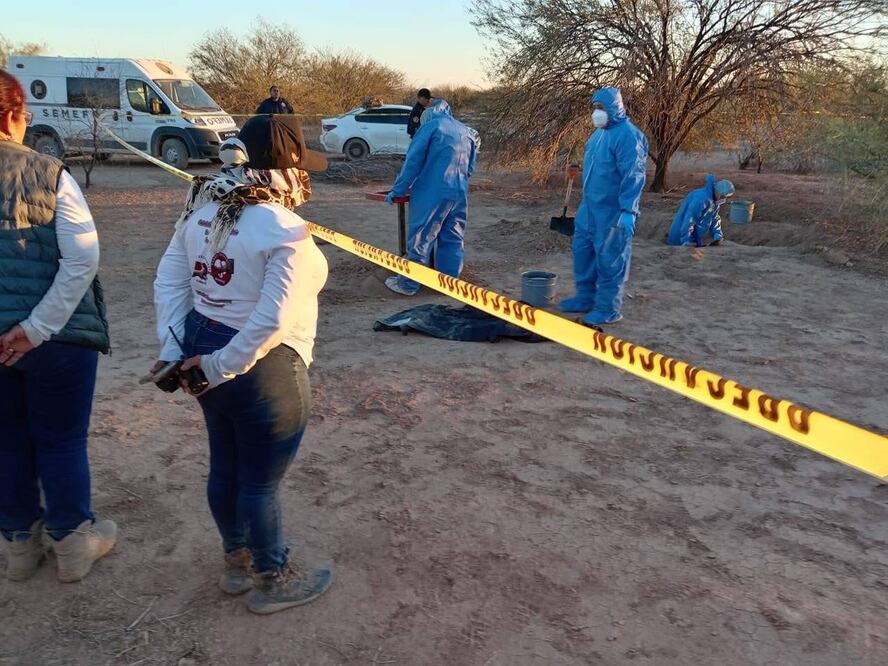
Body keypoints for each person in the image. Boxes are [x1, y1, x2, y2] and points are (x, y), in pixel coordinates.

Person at [153, 113, 331, 615]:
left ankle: (236, 563)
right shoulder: (283, 227)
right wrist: (219, 365)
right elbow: (271, 320)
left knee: (227, 462)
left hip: (206, 342)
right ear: (289, 169)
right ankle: (271, 576)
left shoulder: (204, 211)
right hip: (261, 367)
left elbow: (169, 282)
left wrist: (176, 349)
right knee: (259, 481)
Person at [0, 70, 116, 583]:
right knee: (62, 439)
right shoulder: (49, 173)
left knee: (6, 440)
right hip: (56, 338)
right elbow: (82, 259)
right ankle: (71, 543)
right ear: (13, 115)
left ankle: (19, 547)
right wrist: (38, 327)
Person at [559, 87, 648, 326]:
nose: (597, 113)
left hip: (612, 212)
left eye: (601, 108)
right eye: (595, 108)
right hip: (590, 209)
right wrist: (577, 168)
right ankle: (585, 297)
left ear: (615, 108)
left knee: (611, 259)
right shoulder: (598, 134)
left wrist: (629, 210)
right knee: (583, 252)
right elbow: (597, 163)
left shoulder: (628, 136)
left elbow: (634, 175)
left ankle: (608, 308)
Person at [384, 99, 479, 296]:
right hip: (459, 192)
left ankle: (408, 284)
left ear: (428, 115)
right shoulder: (466, 131)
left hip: (432, 192)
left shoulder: (431, 128)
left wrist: (398, 190)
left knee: (421, 238)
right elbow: (470, 168)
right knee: (453, 237)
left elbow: (412, 163)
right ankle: (450, 285)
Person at [666, 175, 735, 247]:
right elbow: (689, 219)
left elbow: (714, 218)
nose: (724, 199)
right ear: (717, 191)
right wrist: (686, 240)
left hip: (694, 237)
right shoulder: (701, 198)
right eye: (723, 196)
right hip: (678, 240)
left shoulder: (714, 201)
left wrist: (717, 234)